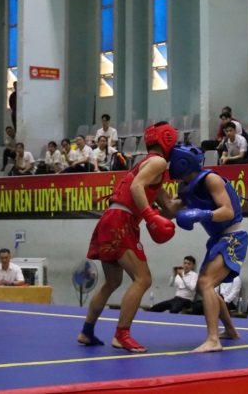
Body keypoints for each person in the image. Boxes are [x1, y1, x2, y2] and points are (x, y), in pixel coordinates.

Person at [77, 122, 178, 353]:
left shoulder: (148, 165)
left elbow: (170, 207)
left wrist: (193, 199)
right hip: (121, 220)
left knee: (113, 281)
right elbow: (136, 188)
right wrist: (149, 216)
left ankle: (87, 331)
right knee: (143, 279)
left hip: (111, 218)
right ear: (168, 141)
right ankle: (121, 335)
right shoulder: (159, 162)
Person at [169, 144, 248, 352]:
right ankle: (230, 330)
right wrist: (151, 194)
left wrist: (201, 214)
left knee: (205, 283)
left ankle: (213, 340)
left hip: (233, 236)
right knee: (204, 286)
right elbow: (170, 209)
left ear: (182, 162)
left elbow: (228, 211)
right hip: (217, 238)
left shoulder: (211, 179)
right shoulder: (185, 187)